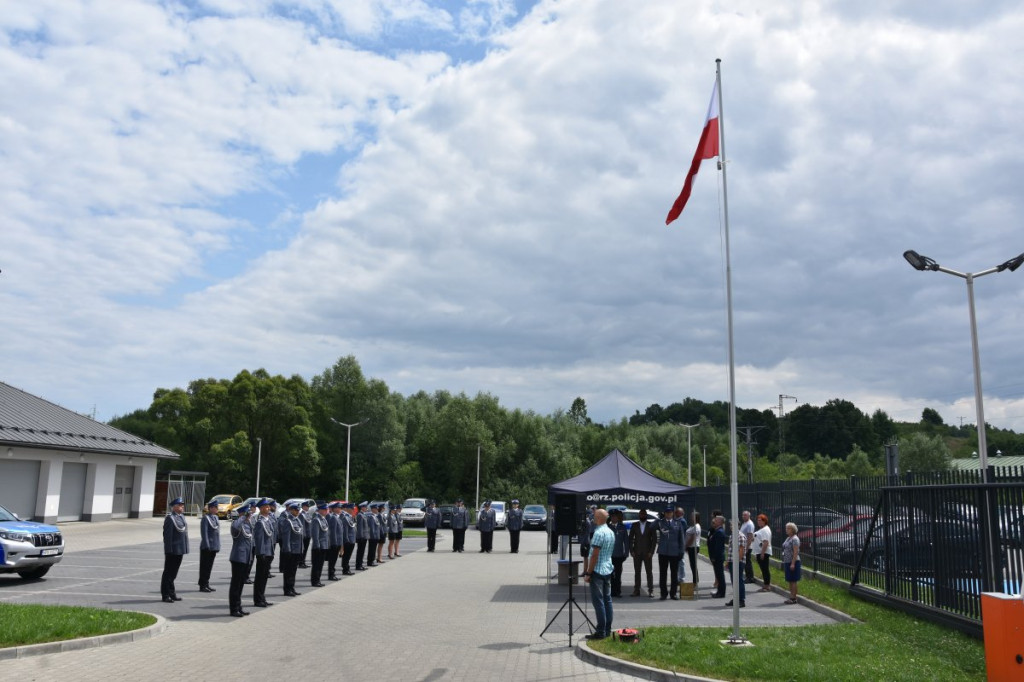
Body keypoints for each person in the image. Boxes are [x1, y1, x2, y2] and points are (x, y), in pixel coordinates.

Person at [582, 508, 614, 640]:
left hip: (598, 570)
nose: (593, 518)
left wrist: (588, 572)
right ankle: (607, 629)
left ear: (600, 518)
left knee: (598, 602)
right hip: (607, 569)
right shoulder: (610, 531)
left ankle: (600, 631)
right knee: (607, 600)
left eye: (594, 516)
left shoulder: (599, 532)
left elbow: (594, 555)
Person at [161, 497, 189, 603]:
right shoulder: (170, 518)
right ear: (175, 507)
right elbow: (167, 536)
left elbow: (184, 534)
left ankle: (172, 593)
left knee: (174, 573)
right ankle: (165, 594)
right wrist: (168, 550)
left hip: (179, 549)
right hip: (172, 550)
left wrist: (185, 548)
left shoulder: (181, 517)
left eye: (182, 505)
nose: (182, 507)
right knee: (168, 573)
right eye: (180, 505)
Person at [228, 502, 253, 617]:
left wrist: (247, 518)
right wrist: (243, 516)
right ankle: (233, 609)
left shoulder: (248, 524)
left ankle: (239, 606)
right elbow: (235, 527)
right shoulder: (237, 524)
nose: (250, 515)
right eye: (248, 513)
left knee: (240, 584)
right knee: (235, 584)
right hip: (238, 557)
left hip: (246, 557)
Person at [628, 508, 657, 597]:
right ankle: (636, 590)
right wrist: (631, 551)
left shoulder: (651, 525)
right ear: (639, 515)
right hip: (636, 552)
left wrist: (651, 552)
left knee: (649, 572)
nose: (642, 515)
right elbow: (630, 539)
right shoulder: (634, 525)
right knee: (637, 572)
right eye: (641, 514)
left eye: (644, 514)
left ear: (646, 515)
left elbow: (654, 539)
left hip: (647, 553)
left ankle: (651, 590)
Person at [657, 504, 684, 600]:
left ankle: (673, 593)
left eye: (670, 513)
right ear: (664, 514)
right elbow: (651, 527)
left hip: (674, 552)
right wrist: (658, 519)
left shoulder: (678, 523)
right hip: (663, 551)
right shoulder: (660, 522)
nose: (668, 514)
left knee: (674, 573)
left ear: (673, 513)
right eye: (667, 513)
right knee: (663, 573)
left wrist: (681, 551)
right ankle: (663, 593)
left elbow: (681, 538)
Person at [252, 498, 275, 607]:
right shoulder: (260, 523)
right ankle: (258, 600)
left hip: (269, 553)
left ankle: (262, 597)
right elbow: (259, 540)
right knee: (260, 578)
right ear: (261, 508)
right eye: (266, 507)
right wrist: (260, 554)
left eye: (268, 506)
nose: (268, 508)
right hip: (263, 554)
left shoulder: (268, 520)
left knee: (264, 577)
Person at [277, 500, 303, 597]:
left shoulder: (297, 520)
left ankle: (291, 587)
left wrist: (301, 548)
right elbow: (286, 537)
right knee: (288, 571)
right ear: (291, 510)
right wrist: (287, 550)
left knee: (293, 571)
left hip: (297, 550)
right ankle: (287, 589)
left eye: (298, 510)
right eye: (296, 510)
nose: (298, 512)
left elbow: (300, 536)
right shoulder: (288, 521)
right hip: (291, 550)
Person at [198, 500, 220, 593]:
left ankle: (206, 583)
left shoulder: (215, 518)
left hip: (214, 546)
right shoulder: (205, 518)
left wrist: (217, 545)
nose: (217, 509)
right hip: (207, 547)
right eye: (215, 507)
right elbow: (204, 533)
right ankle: (202, 585)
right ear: (210, 508)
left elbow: (217, 534)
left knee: (209, 566)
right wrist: (207, 546)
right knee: (204, 567)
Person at [608, 509, 629, 598]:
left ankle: (618, 591)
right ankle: (612, 591)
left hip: (619, 555)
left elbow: (626, 541)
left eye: (615, 516)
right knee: (610, 574)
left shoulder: (622, 527)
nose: (613, 518)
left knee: (618, 574)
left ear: (617, 517)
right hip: (609, 555)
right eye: (612, 516)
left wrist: (626, 553)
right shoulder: (607, 527)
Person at [725, 521, 746, 607]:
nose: (731, 527)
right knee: (734, 581)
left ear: (738, 526)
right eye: (730, 525)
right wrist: (728, 561)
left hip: (738, 562)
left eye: (733, 525)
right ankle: (736, 598)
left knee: (739, 581)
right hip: (731, 561)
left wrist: (737, 562)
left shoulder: (740, 536)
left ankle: (741, 600)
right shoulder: (732, 536)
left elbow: (741, 550)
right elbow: (730, 550)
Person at [309, 502, 330, 585]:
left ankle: (318, 580)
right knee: (316, 565)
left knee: (320, 564)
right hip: (319, 546)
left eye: (327, 509)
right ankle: (315, 581)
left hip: (324, 546)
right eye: (325, 509)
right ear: (320, 510)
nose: (326, 511)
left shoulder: (323, 519)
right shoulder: (316, 520)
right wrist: (317, 546)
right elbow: (315, 535)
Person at [708, 515, 727, 598]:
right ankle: (719, 591)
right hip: (717, 557)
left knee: (720, 575)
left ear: (719, 522)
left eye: (716, 520)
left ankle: (721, 592)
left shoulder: (719, 532)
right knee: (718, 575)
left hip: (718, 557)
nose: (714, 521)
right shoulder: (717, 530)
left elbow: (718, 547)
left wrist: (714, 557)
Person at [782, 522, 801, 604]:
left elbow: (796, 552)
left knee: (793, 580)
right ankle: (791, 596)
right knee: (790, 580)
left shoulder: (795, 539)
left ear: (793, 530)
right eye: (786, 528)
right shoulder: (788, 538)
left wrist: (793, 563)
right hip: (787, 561)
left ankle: (794, 598)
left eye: (788, 528)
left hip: (793, 562)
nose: (786, 530)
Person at [754, 514, 773, 591]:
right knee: (763, 569)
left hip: (763, 552)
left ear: (765, 521)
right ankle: (765, 585)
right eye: (758, 520)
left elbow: (765, 542)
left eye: (760, 520)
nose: (758, 522)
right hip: (759, 551)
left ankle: (767, 586)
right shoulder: (762, 529)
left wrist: (762, 553)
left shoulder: (765, 530)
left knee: (765, 569)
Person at [685, 511, 702, 589]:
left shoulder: (697, 526)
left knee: (693, 565)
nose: (691, 517)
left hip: (693, 547)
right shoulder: (693, 526)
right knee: (692, 565)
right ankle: (695, 581)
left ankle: (695, 582)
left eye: (693, 516)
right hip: (691, 547)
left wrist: (686, 546)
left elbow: (692, 538)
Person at [327, 502, 343, 580]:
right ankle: (331, 575)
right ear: (335, 509)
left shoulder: (337, 517)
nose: (340, 509)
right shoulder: (333, 518)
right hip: (335, 543)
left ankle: (332, 574)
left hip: (338, 542)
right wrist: (335, 543)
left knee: (334, 559)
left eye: (340, 508)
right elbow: (333, 532)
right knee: (332, 560)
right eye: (339, 508)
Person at [340, 502, 357, 574]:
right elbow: (345, 530)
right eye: (352, 508)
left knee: (348, 555)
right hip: (348, 540)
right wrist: (346, 540)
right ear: (348, 509)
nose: (353, 510)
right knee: (346, 556)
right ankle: (345, 569)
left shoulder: (350, 516)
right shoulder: (345, 517)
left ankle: (347, 568)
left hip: (352, 539)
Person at [740, 510, 756, 584]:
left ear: (749, 516)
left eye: (745, 515)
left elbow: (750, 536)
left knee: (747, 562)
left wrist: (747, 547)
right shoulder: (744, 523)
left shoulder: (749, 524)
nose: (743, 516)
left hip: (747, 546)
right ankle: (748, 576)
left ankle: (750, 577)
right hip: (744, 546)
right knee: (746, 562)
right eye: (743, 515)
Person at [355, 501, 370, 569]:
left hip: (364, 536)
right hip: (362, 536)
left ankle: (360, 564)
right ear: (362, 507)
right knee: (360, 551)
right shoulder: (360, 515)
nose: (366, 508)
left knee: (362, 551)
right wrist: (360, 536)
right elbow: (360, 527)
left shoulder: (363, 514)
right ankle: (358, 565)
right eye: (365, 507)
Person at [298, 500, 312, 569]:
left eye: (308, 506)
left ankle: (303, 561)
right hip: (305, 535)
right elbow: (302, 525)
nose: (307, 507)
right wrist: (303, 535)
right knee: (303, 549)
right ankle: (301, 562)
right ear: (303, 507)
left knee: (306, 549)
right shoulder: (301, 514)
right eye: (306, 506)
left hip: (308, 535)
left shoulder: (308, 514)